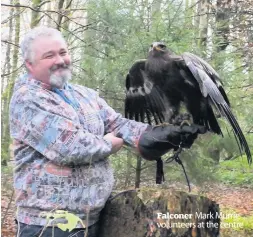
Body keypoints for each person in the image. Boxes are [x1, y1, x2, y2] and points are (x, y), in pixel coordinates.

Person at [9, 26, 206, 237]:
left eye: (63, 52)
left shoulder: (83, 94)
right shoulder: (27, 98)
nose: (60, 60)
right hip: (48, 226)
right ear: (29, 64)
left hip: (94, 219)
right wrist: (110, 143)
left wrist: (155, 134)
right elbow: (70, 147)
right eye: (49, 55)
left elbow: (117, 124)